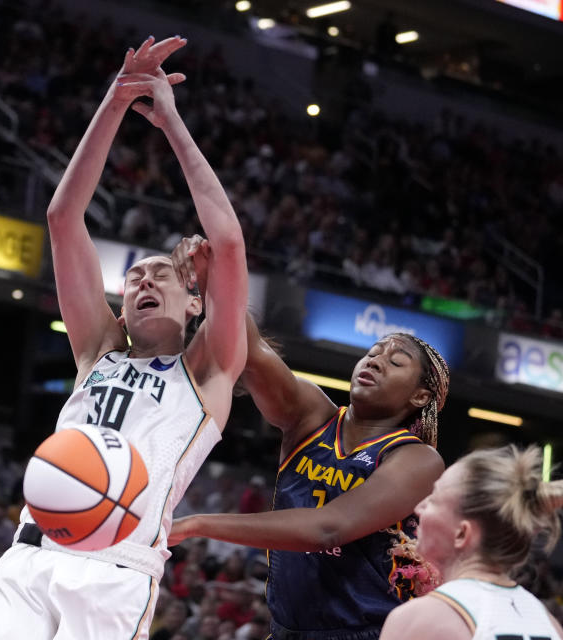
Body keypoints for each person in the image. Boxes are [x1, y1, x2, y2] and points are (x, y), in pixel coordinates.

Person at [0, 36, 250, 640]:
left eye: (159, 273)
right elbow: (64, 218)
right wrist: (116, 99)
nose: (141, 279)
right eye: (132, 276)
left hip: (115, 563)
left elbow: (231, 246)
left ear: (196, 299)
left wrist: (168, 117)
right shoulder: (99, 351)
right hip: (34, 550)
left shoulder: (209, 372)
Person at [169, 235, 449, 640]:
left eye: (396, 360)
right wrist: (212, 275)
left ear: (420, 396)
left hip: (364, 632)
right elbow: (250, 347)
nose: (375, 359)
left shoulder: (417, 460)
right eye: (374, 351)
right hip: (285, 628)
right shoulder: (312, 414)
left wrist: (196, 524)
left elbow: (328, 529)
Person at [379, 445, 563, 640]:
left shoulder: (420, 620)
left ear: (462, 534)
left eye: (433, 499)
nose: (418, 508)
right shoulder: (548, 623)